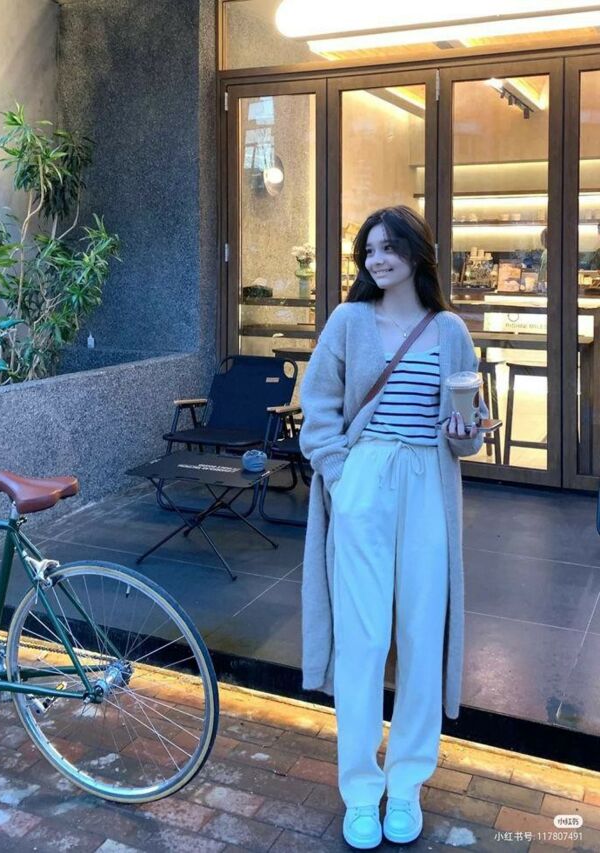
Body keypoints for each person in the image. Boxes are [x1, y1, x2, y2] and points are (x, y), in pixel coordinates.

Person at [298, 205, 488, 849]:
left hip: (428, 484)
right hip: (365, 477)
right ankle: (360, 790)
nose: (377, 260)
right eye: (369, 251)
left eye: (389, 248)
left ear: (416, 253)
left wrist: (465, 432)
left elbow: (466, 433)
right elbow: (318, 406)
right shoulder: (349, 321)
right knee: (364, 638)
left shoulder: (450, 329)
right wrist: (340, 474)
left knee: (421, 635)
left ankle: (406, 784)